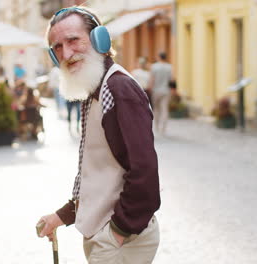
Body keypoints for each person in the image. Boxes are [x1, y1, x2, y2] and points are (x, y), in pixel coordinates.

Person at [37, 7, 160, 263]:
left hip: (121, 241)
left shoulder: (119, 89)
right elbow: (101, 175)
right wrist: (62, 216)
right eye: (57, 47)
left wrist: (117, 232)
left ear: (99, 39)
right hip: (109, 239)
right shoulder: (94, 89)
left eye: (73, 40)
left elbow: (144, 173)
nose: (66, 53)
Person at [148, 52, 172, 135]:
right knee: (164, 109)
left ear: (158, 57)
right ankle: (163, 128)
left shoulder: (154, 67)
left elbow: (152, 79)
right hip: (166, 90)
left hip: (156, 90)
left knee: (156, 109)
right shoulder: (169, 67)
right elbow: (171, 80)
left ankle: (157, 127)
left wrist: (150, 89)